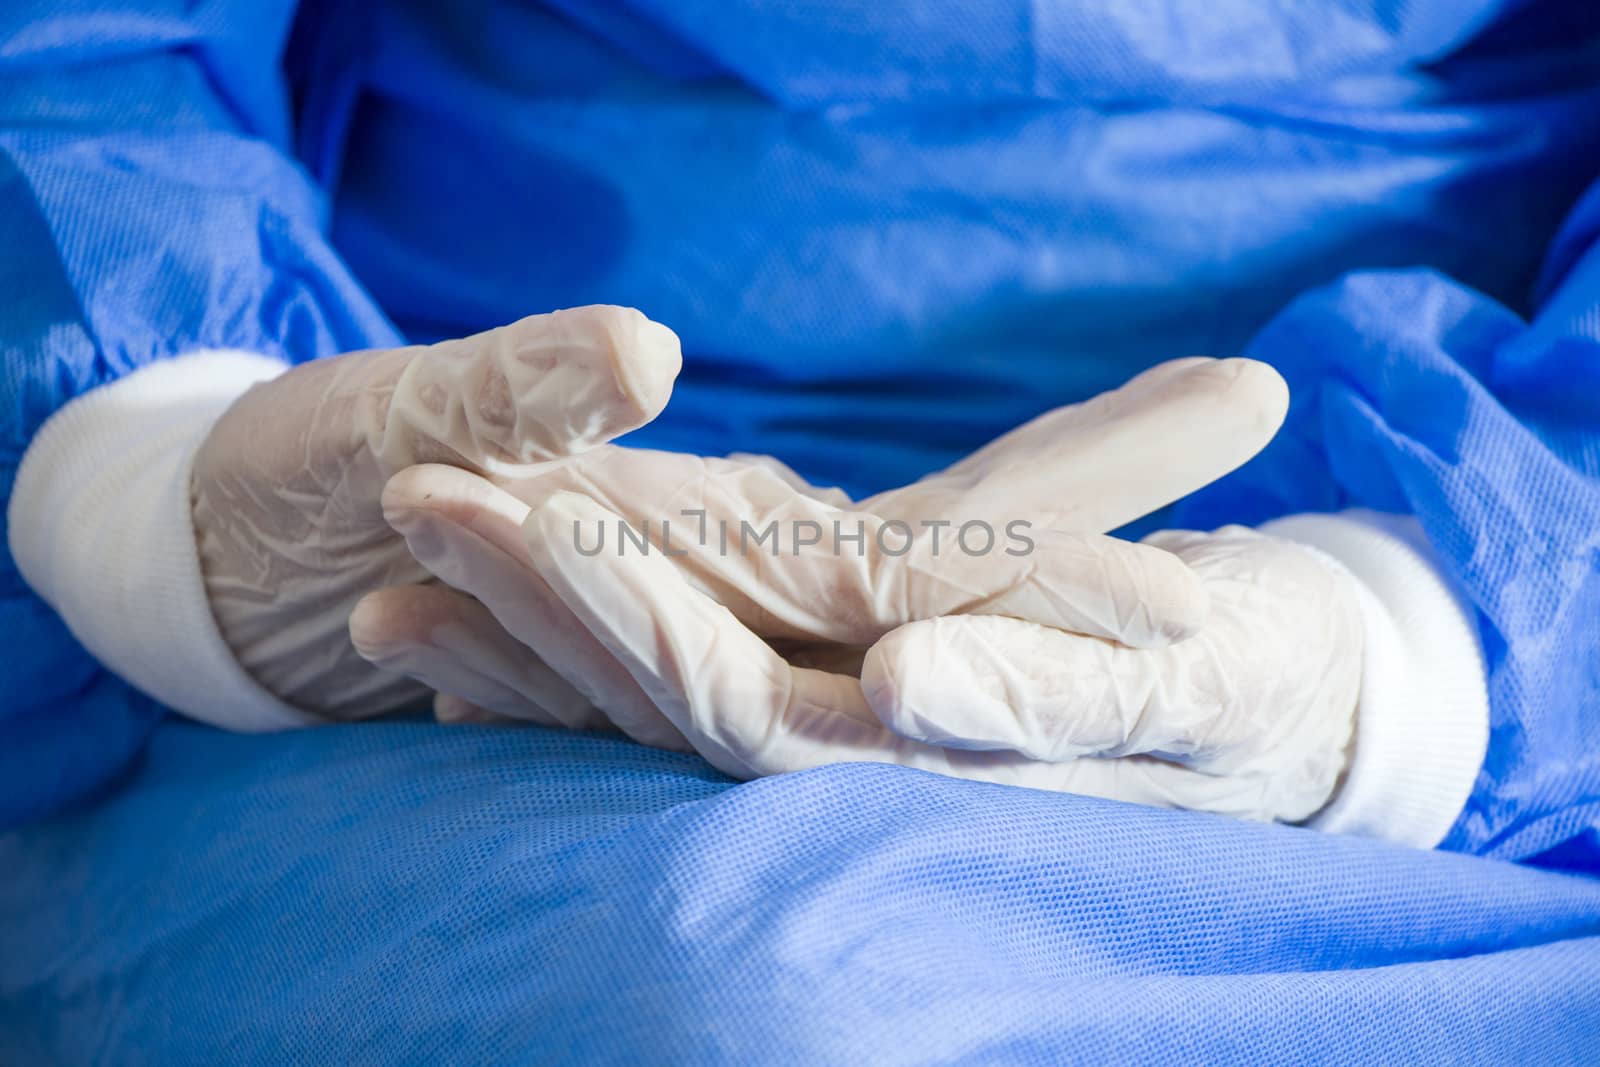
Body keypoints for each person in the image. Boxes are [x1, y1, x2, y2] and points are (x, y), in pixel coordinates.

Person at [2, 1, 1599, 1062]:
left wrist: (1409, 651)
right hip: (440, 585)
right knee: (730, 1000)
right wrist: (145, 473)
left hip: (1472, 705)